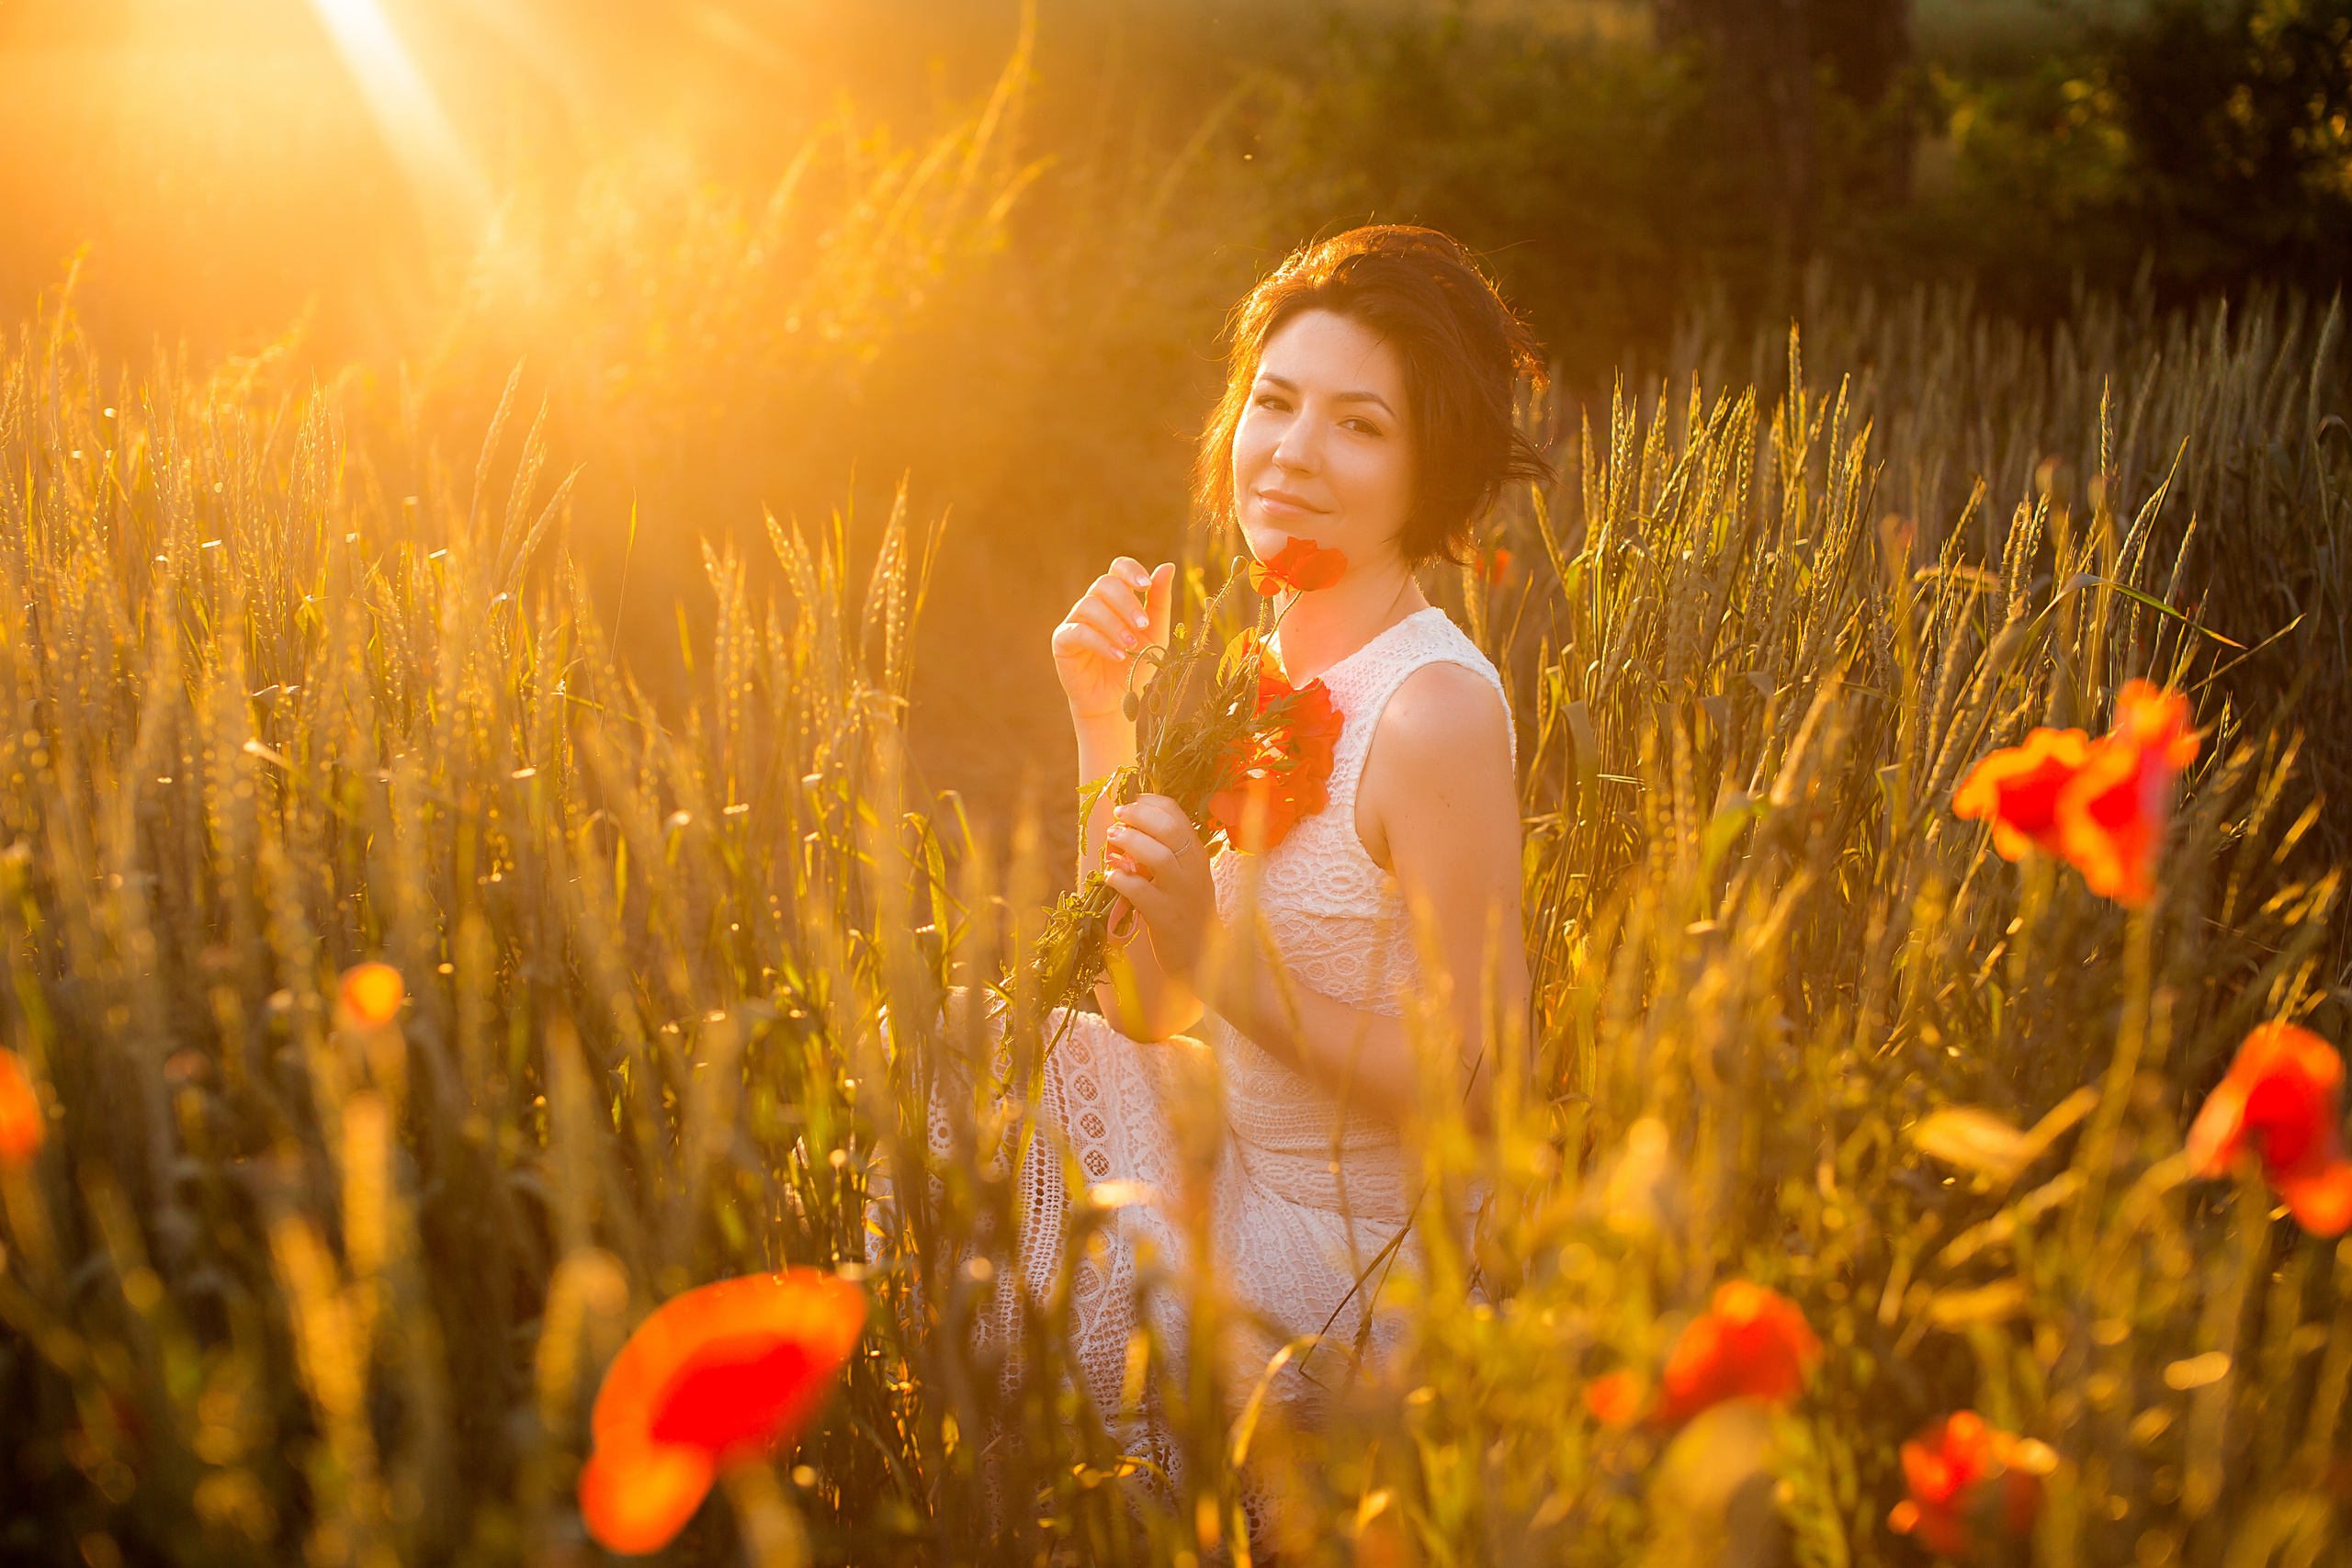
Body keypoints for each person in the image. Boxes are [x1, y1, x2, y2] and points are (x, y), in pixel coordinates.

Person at [987, 224, 1544, 1510]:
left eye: (1359, 425)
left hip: (1344, 1267)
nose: (1292, 451)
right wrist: (1104, 718)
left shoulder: (1434, 712)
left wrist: (1223, 960)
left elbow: (1489, 1079)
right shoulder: (1258, 665)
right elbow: (1141, 1006)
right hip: (1232, 1167)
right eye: (1274, 401)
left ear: (1430, 468)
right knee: (985, 1065)